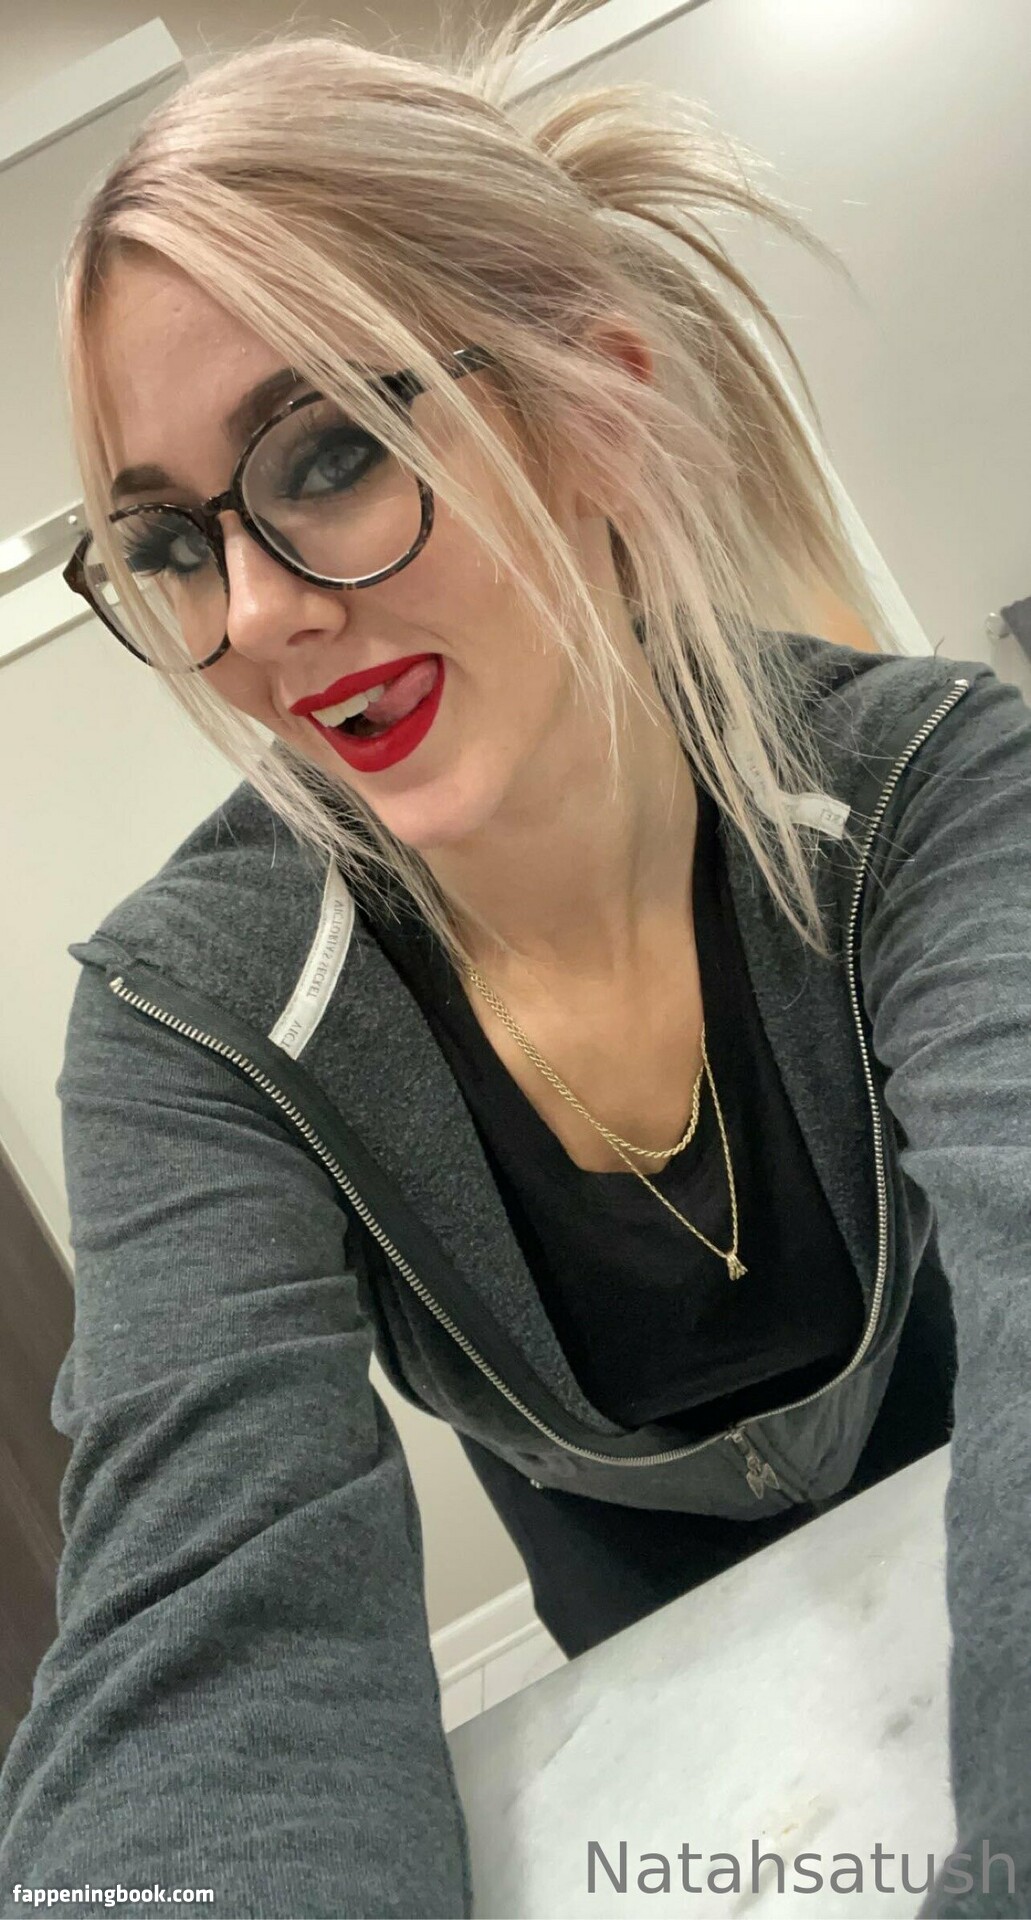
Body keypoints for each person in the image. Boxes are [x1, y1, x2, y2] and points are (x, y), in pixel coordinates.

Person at [0, 4, 1028, 1915]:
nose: (256, 616)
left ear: (597, 410)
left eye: (326, 451)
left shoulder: (933, 794)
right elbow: (209, 1626)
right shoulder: (194, 1018)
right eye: (172, 545)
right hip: (657, 1756)